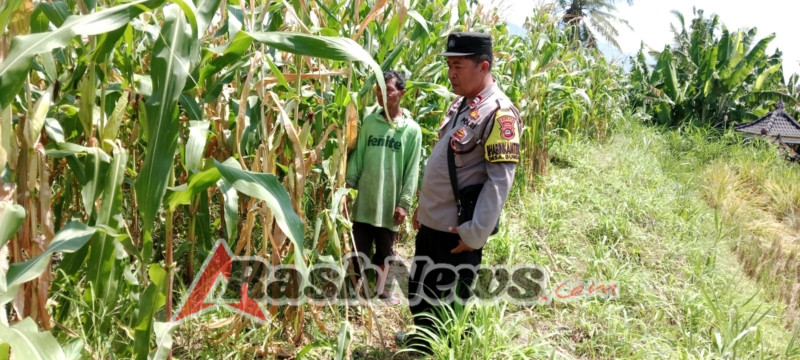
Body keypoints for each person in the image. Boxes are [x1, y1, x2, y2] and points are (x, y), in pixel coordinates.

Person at [399, 32, 522, 348]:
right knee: (420, 289)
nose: (451, 74)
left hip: (457, 232)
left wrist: (475, 234)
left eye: (458, 66)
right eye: (449, 66)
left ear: (483, 66)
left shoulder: (499, 113)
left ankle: (440, 350)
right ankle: (422, 343)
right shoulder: (462, 105)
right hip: (433, 221)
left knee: (447, 299)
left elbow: (499, 180)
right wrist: (422, 208)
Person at [345, 70, 423, 305]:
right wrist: (347, 191)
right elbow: (358, 159)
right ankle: (353, 291)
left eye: (388, 90)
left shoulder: (411, 130)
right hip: (366, 200)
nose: (382, 94)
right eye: (378, 89)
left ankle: (382, 291)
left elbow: (412, 170)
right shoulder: (370, 122)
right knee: (358, 248)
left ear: (402, 93)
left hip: (390, 203)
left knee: (385, 251)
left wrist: (404, 203)